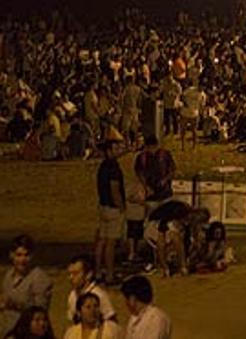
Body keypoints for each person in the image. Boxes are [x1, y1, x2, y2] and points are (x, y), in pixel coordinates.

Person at [2, 237, 53, 337]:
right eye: (19, 255)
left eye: (26, 255)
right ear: (11, 255)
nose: (22, 260)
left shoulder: (40, 278)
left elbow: (40, 312)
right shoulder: (8, 276)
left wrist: (14, 304)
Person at [94, 143, 125, 284]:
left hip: (103, 206)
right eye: (116, 148)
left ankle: (98, 272)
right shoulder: (114, 168)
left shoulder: (103, 166)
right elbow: (115, 190)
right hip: (113, 208)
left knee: (101, 241)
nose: (120, 150)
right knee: (110, 244)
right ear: (109, 151)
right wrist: (121, 207)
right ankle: (110, 275)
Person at [63, 257, 114, 329]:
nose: (71, 277)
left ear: (89, 274)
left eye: (75, 273)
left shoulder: (99, 295)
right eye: (70, 274)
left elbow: (112, 324)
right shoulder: (72, 295)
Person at [132, 138, 174, 213]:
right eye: (149, 148)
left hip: (165, 192)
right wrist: (146, 186)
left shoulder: (165, 155)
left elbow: (172, 170)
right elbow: (139, 173)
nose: (152, 150)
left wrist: (165, 180)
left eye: (154, 147)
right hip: (150, 194)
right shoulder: (142, 157)